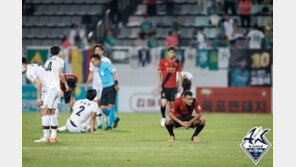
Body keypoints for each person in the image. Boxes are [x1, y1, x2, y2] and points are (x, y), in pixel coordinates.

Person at [22, 57, 61, 143]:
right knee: (52, 112)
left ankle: (46, 137)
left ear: (23, 64)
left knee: (43, 112)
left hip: (50, 90)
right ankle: (53, 137)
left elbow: (38, 83)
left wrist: (39, 97)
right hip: (57, 88)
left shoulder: (29, 71)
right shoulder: (34, 65)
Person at [85, 44, 118, 129]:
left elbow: (113, 71)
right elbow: (91, 73)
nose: (97, 52)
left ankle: (108, 123)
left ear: (102, 51)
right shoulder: (93, 61)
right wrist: (87, 83)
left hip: (106, 86)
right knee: (98, 105)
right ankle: (102, 122)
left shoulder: (107, 61)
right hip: (96, 84)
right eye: (96, 50)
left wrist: (116, 83)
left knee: (108, 106)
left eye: (99, 50)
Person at [158, 45, 182, 126]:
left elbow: (179, 74)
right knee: (163, 103)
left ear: (175, 53)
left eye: (173, 53)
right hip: (165, 86)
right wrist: (159, 85)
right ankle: (163, 118)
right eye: (170, 52)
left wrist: (180, 85)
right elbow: (159, 73)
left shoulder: (177, 62)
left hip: (173, 87)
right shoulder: (162, 61)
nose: (171, 54)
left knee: (172, 105)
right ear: (167, 52)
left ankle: (170, 119)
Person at [44, 46, 69, 118]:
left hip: (47, 85)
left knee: (49, 106)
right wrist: (66, 84)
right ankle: (52, 126)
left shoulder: (47, 61)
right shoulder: (60, 60)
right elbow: (60, 74)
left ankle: (49, 126)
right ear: (59, 52)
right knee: (55, 106)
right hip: (55, 85)